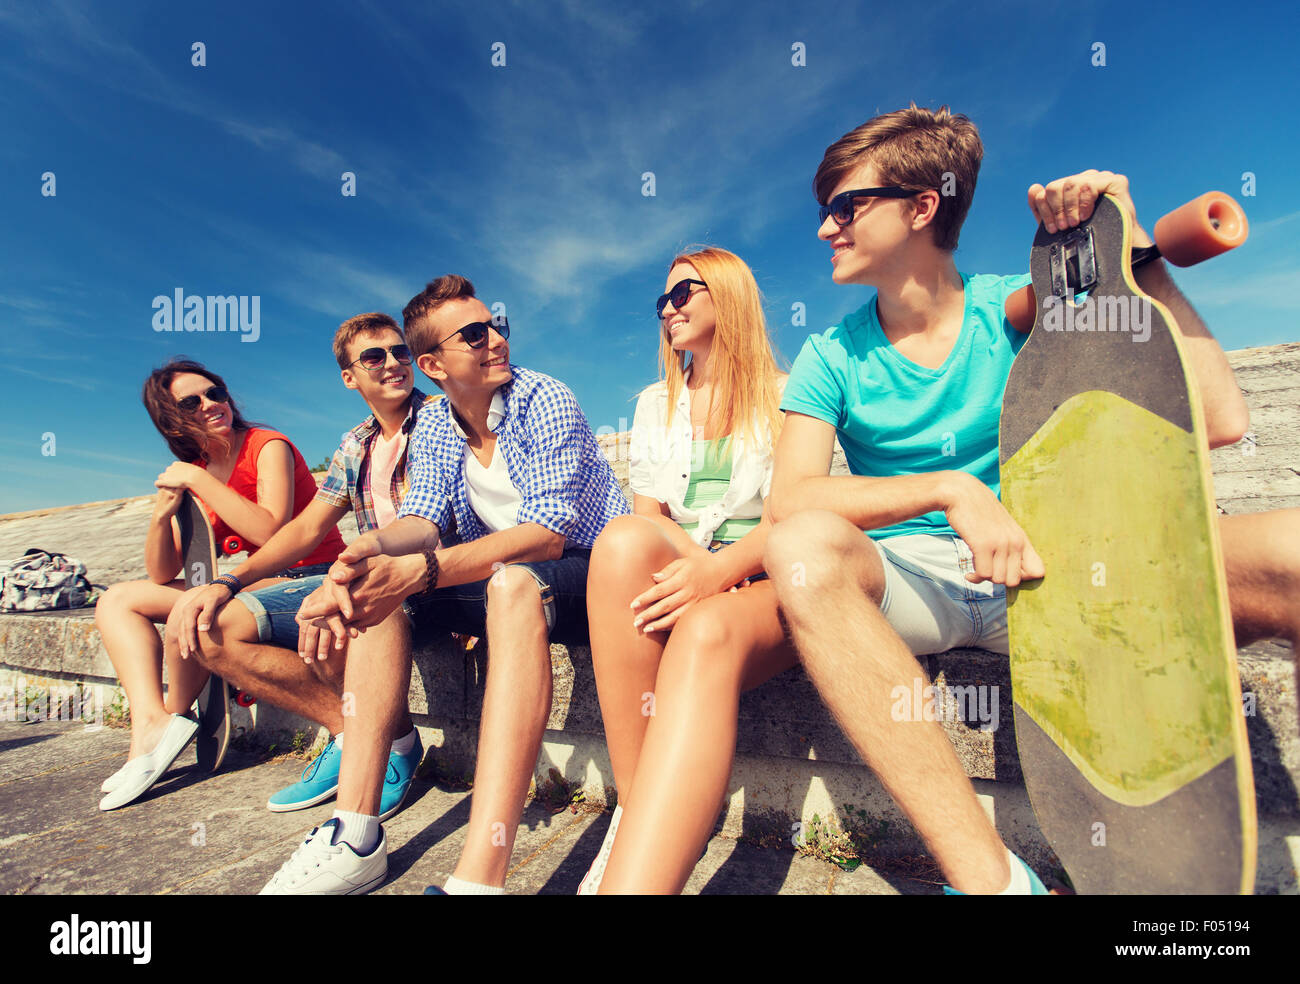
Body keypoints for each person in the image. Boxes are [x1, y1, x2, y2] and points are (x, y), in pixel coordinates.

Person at [763, 104, 1300, 894]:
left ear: (921, 206)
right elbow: (791, 500)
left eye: (845, 206)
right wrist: (951, 489)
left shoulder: (1017, 306)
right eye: (825, 210)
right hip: (919, 582)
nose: (824, 229)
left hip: (1052, 575)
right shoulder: (829, 354)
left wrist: (1130, 254)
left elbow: (1218, 420)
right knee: (801, 550)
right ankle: (992, 882)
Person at [249, 275, 629, 894]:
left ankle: (479, 880)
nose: (495, 341)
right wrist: (364, 555)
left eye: (497, 327)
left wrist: (423, 571)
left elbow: (549, 533)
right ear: (434, 363)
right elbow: (423, 520)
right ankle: (356, 833)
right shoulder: (433, 427)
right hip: (505, 573)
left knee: (510, 584)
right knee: (380, 599)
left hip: (591, 570)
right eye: (474, 334)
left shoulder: (543, 398)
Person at [581, 247, 795, 894]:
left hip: (764, 576)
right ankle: (635, 808)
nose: (668, 310)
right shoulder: (654, 403)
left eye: (682, 295)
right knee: (619, 541)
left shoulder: (787, 395)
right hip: (690, 571)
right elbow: (650, 521)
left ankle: (648, 835)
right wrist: (700, 568)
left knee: (698, 607)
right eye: (662, 303)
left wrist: (723, 572)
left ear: (726, 295)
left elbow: (791, 518)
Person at [171, 314, 431, 827]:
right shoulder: (356, 443)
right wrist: (228, 582)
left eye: (401, 352)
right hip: (365, 575)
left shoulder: (442, 421)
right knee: (210, 630)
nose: (394, 363)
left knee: (336, 607)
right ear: (350, 378)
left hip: (428, 578)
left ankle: (391, 752)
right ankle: (357, 736)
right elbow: (306, 529)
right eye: (374, 357)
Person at [96, 358, 344, 811]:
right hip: (249, 579)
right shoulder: (197, 467)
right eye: (192, 402)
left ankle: (169, 721)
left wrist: (194, 479)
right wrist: (162, 513)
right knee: (117, 599)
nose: (212, 404)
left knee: (191, 606)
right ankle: (152, 721)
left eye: (216, 393)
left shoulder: (266, 446)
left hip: (306, 572)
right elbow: (159, 571)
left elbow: (272, 532)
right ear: (172, 418)